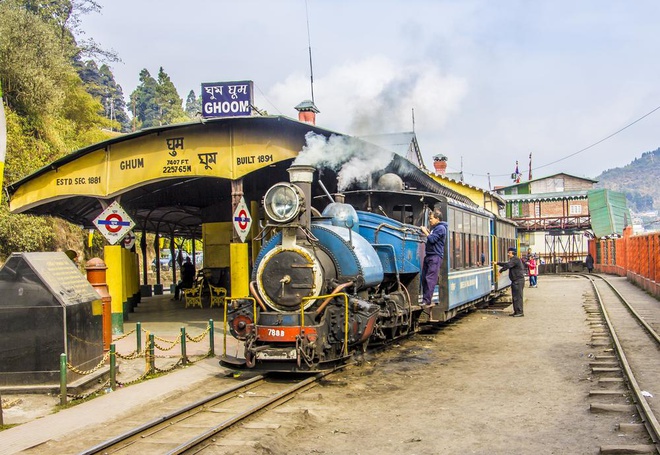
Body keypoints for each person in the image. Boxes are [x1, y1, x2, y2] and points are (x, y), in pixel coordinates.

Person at [420, 208, 448, 307]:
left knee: (430, 278)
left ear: (437, 219)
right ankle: (424, 298)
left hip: (435, 256)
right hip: (429, 255)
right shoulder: (435, 229)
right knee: (424, 278)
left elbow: (432, 239)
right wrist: (428, 232)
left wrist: (426, 232)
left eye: (431, 218)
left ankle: (426, 300)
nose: (430, 220)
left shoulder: (441, 228)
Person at [495, 247, 525, 317]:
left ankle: (520, 312)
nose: (508, 254)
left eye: (509, 253)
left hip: (518, 281)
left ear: (512, 253)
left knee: (518, 297)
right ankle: (516, 311)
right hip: (516, 281)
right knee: (515, 297)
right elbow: (507, 264)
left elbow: (508, 265)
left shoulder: (515, 259)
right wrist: (497, 263)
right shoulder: (514, 260)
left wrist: (500, 271)